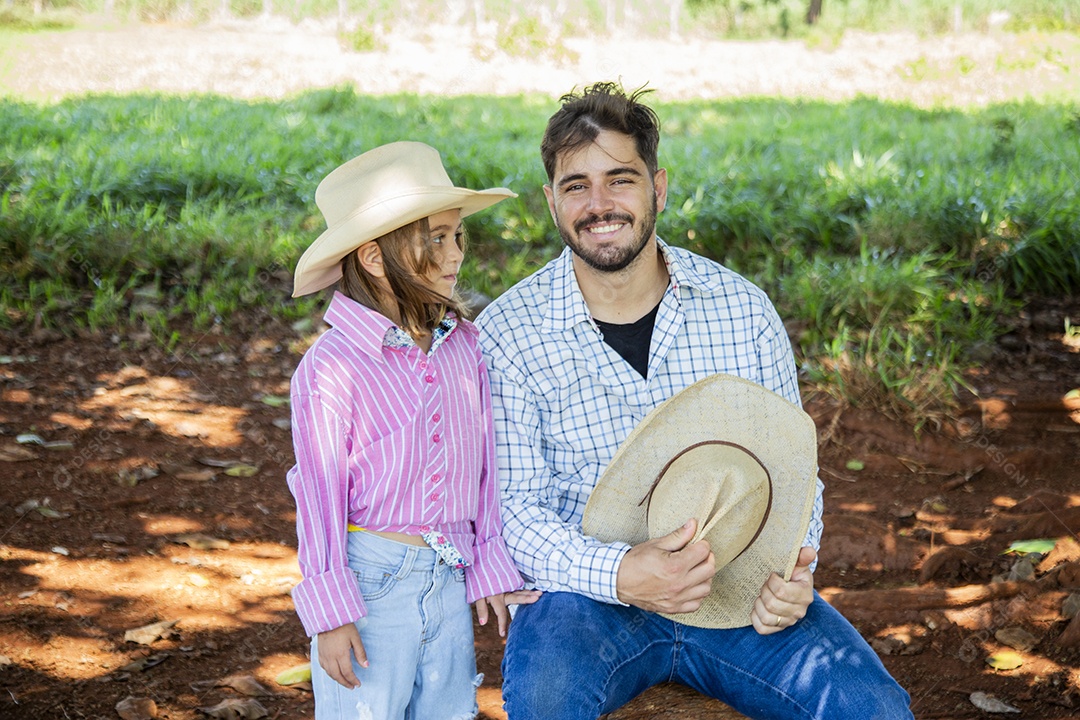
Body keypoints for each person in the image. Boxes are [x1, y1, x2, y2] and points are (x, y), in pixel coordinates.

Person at [475, 83, 914, 719]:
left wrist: (793, 574)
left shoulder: (741, 310)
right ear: (550, 201)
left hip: (738, 585)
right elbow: (513, 510)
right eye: (576, 186)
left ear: (658, 186)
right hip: (586, 598)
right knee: (546, 701)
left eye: (620, 180)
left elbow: (794, 471)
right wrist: (623, 572)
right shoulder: (508, 334)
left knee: (874, 709)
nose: (599, 204)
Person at [287, 141, 540, 720]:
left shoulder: (464, 348)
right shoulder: (332, 367)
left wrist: (487, 565)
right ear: (375, 258)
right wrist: (332, 613)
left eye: (457, 236)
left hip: (447, 575)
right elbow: (319, 494)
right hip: (372, 582)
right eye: (436, 239)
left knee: (450, 711)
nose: (455, 255)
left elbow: (484, 466)